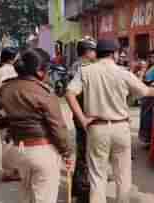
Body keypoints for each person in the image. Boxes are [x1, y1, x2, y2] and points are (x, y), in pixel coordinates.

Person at [65, 39, 154, 203]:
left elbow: (69, 93)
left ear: (97, 53)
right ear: (114, 53)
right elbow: (146, 91)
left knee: (97, 176)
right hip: (121, 128)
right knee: (123, 175)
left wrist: (83, 119)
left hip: (97, 129)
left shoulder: (85, 71)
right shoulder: (123, 72)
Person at [0, 48, 74, 203]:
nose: (48, 73)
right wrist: (67, 152)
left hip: (20, 151)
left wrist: (7, 125)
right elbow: (58, 128)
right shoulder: (45, 93)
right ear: (39, 71)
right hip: (44, 152)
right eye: (47, 69)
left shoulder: (6, 88)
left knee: (27, 196)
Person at [66, 37, 97, 203]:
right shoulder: (84, 68)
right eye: (93, 50)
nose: (95, 53)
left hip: (79, 115)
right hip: (85, 115)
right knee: (86, 153)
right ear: (88, 51)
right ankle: (83, 190)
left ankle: (79, 187)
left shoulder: (75, 66)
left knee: (82, 151)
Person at [0, 47, 20, 182]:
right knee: (9, 141)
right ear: (12, 58)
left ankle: (11, 169)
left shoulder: (1, 70)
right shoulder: (9, 71)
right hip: (8, 110)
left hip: (1, 110)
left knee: (7, 141)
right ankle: (9, 171)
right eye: (17, 56)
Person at [139, 51, 154, 146]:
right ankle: (147, 139)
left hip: (151, 95)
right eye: (151, 56)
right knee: (145, 117)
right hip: (146, 95)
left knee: (148, 117)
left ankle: (149, 139)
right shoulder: (149, 67)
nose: (152, 58)